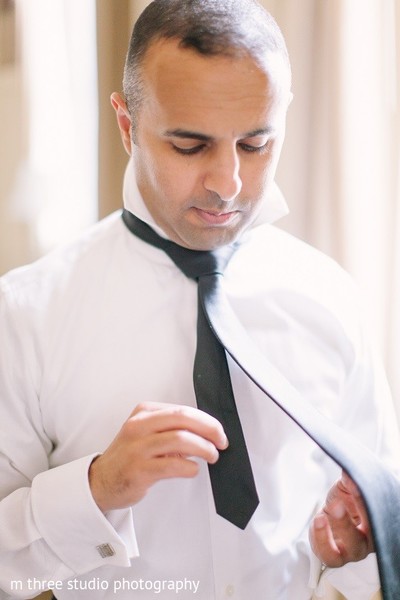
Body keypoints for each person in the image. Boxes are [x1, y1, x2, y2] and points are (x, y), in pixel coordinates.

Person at [0, 0, 399, 598]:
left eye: (256, 143)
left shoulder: (331, 298)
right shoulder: (26, 315)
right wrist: (96, 488)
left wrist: (352, 546)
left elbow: (376, 508)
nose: (228, 183)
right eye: (190, 146)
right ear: (128, 125)